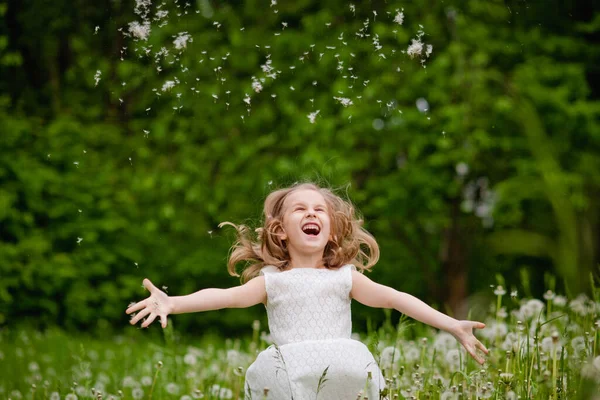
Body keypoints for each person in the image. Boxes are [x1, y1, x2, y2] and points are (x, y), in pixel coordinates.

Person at [126, 182, 489, 399]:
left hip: (342, 372)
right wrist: (172, 303)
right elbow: (222, 297)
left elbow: (396, 299)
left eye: (319, 210)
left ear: (331, 231)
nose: (311, 213)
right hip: (293, 377)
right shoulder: (273, 282)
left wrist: (451, 324)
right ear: (281, 230)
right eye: (299, 209)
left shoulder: (345, 278)